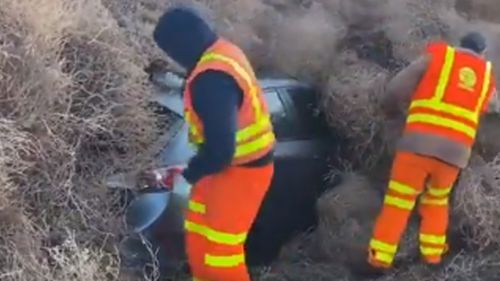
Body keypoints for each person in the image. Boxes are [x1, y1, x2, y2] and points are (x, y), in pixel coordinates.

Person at [152, 5, 275, 281]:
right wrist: (189, 171)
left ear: (181, 44)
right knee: (198, 242)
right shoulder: (222, 53)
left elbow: (221, 150)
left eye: (169, 50)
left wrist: (187, 175)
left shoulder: (212, 79)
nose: (172, 57)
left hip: (243, 174)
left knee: (221, 258)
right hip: (223, 170)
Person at [367, 31, 499, 272]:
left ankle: (380, 257)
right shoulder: (488, 77)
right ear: (482, 53)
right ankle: (432, 257)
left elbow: (397, 88)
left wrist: (389, 109)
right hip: (454, 155)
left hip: (418, 146)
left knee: (399, 200)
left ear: (459, 45)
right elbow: (491, 106)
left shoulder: (438, 56)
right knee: (437, 201)